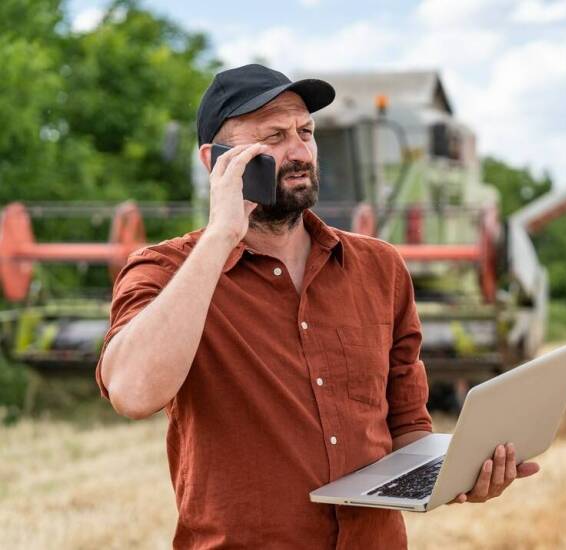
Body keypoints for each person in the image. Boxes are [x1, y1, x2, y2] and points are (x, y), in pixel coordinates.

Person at [95, 64, 538, 549]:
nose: (300, 151)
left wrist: (461, 472)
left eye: (306, 132)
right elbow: (133, 392)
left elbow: (407, 428)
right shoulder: (164, 270)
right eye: (275, 136)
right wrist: (223, 234)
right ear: (214, 160)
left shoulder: (379, 268)